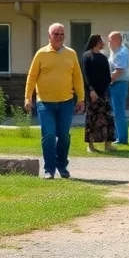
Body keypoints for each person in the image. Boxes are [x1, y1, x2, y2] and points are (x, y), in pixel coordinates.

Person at [24, 23, 85, 179]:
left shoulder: (71, 54)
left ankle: (62, 165)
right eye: (56, 34)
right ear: (49, 36)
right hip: (45, 102)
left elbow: (77, 77)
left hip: (66, 102)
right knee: (49, 135)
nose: (59, 37)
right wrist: (28, 98)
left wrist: (81, 98)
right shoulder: (41, 54)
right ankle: (49, 169)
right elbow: (31, 77)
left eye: (62, 34)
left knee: (64, 135)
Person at [81, 35, 116, 153]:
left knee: (108, 118)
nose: (103, 43)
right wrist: (91, 90)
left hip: (104, 92)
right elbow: (86, 75)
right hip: (92, 93)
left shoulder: (103, 57)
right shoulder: (87, 56)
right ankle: (90, 146)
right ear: (96, 42)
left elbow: (107, 75)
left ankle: (108, 144)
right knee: (92, 117)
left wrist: (106, 88)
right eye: (101, 41)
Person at [107, 31, 129, 146]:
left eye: (110, 39)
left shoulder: (121, 52)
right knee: (114, 112)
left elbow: (119, 71)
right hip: (114, 84)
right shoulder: (114, 52)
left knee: (119, 112)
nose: (108, 42)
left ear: (117, 40)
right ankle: (116, 136)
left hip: (119, 84)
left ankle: (122, 138)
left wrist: (106, 81)